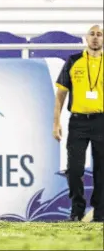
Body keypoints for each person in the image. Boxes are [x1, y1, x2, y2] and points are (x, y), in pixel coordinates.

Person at [53, 24, 103, 222]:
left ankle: (100, 212)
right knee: (74, 169)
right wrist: (56, 123)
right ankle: (77, 209)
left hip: (101, 121)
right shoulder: (74, 61)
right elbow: (60, 95)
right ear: (86, 38)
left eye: (99, 34)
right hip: (78, 122)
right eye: (92, 34)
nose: (96, 38)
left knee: (102, 169)